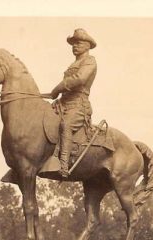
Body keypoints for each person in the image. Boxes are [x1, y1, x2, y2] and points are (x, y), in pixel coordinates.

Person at [50, 28, 97, 177]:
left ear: (88, 46)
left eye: (78, 43)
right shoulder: (73, 63)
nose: (74, 46)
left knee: (66, 125)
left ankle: (63, 165)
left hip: (79, 105)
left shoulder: (90, 61)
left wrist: (58, 88)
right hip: (65, 103)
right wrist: (59, 97)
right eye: (73, 44)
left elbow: (79, 79)